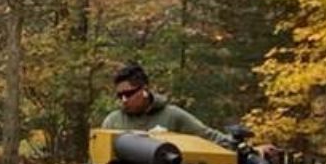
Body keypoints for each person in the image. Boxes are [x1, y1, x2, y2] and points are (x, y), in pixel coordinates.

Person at [101, 63, 240, 149]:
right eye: (120, 96)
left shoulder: (172, 116)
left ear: (144, 89)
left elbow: (209, 137)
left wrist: (241, 147)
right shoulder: (112, 122)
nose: (124, 100)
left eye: (128, 94)